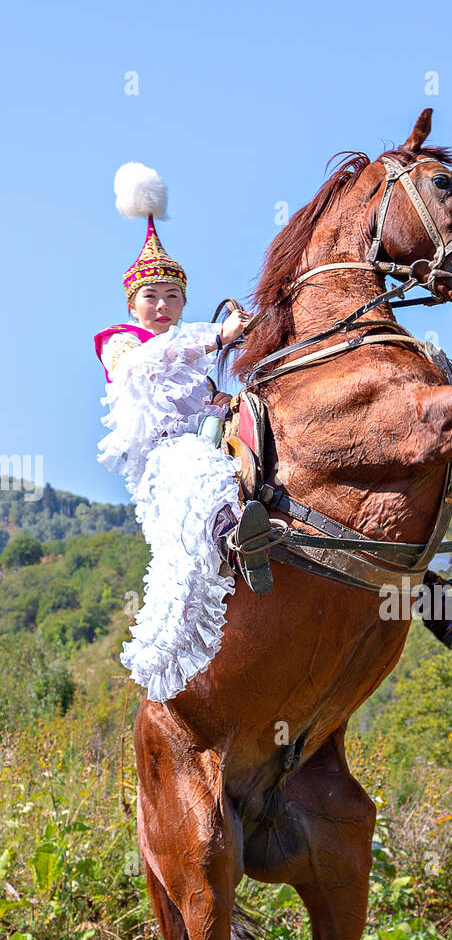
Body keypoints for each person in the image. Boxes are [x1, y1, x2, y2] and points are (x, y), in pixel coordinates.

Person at [94, 161, 272, 704]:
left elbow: (201, 398)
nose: (163, 306)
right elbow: (146, 367)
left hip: (205, 441)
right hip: (166, 461)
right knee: (197, 474)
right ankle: (236, 535)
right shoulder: (119, 342)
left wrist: (222, 397)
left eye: (172, 296)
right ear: (132, 304)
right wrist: (217, 336)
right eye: (152, 296)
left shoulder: (194, 352)